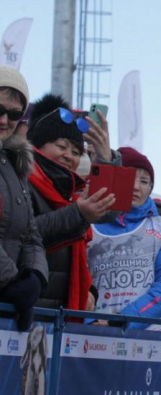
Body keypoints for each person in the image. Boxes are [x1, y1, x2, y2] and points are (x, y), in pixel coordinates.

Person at [26, 93, 116, 312]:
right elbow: (23, 233)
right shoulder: (22, 180)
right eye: (61, 146)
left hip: (57, 315)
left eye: (76, 152)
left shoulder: (70, 192)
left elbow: (111, 210)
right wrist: (78, 214)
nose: (69, 156)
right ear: (38, 144)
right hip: (24, 311)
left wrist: (105, 158)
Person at [87, 148, 161, 330]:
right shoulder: (89, 223)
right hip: (93, 334)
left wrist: (123, 321)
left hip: (149, 340)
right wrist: (89, 322)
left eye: (145, 181)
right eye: (130, 177)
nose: (137, 187)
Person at [0, 67, 48, 331]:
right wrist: (12, 281)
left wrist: (35, 277)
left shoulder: (15, 165)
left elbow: (31, 236)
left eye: (14, 114)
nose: (5, 120)